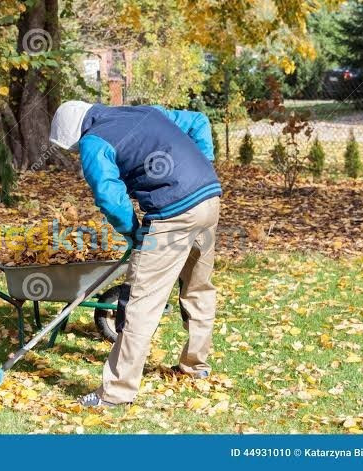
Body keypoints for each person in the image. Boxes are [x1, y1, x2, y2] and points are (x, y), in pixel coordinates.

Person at [49, 101, 222, 407]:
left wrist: (131, 232)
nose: (78, 152)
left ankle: (116, 392)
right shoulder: (142, 111)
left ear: (77, 135)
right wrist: (205, 164)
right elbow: (198, 120)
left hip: (174, 211)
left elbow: (109, 196)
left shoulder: (93, 140)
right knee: (197, 288)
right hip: (210, 198)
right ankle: (196, 368)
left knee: (139, 302)